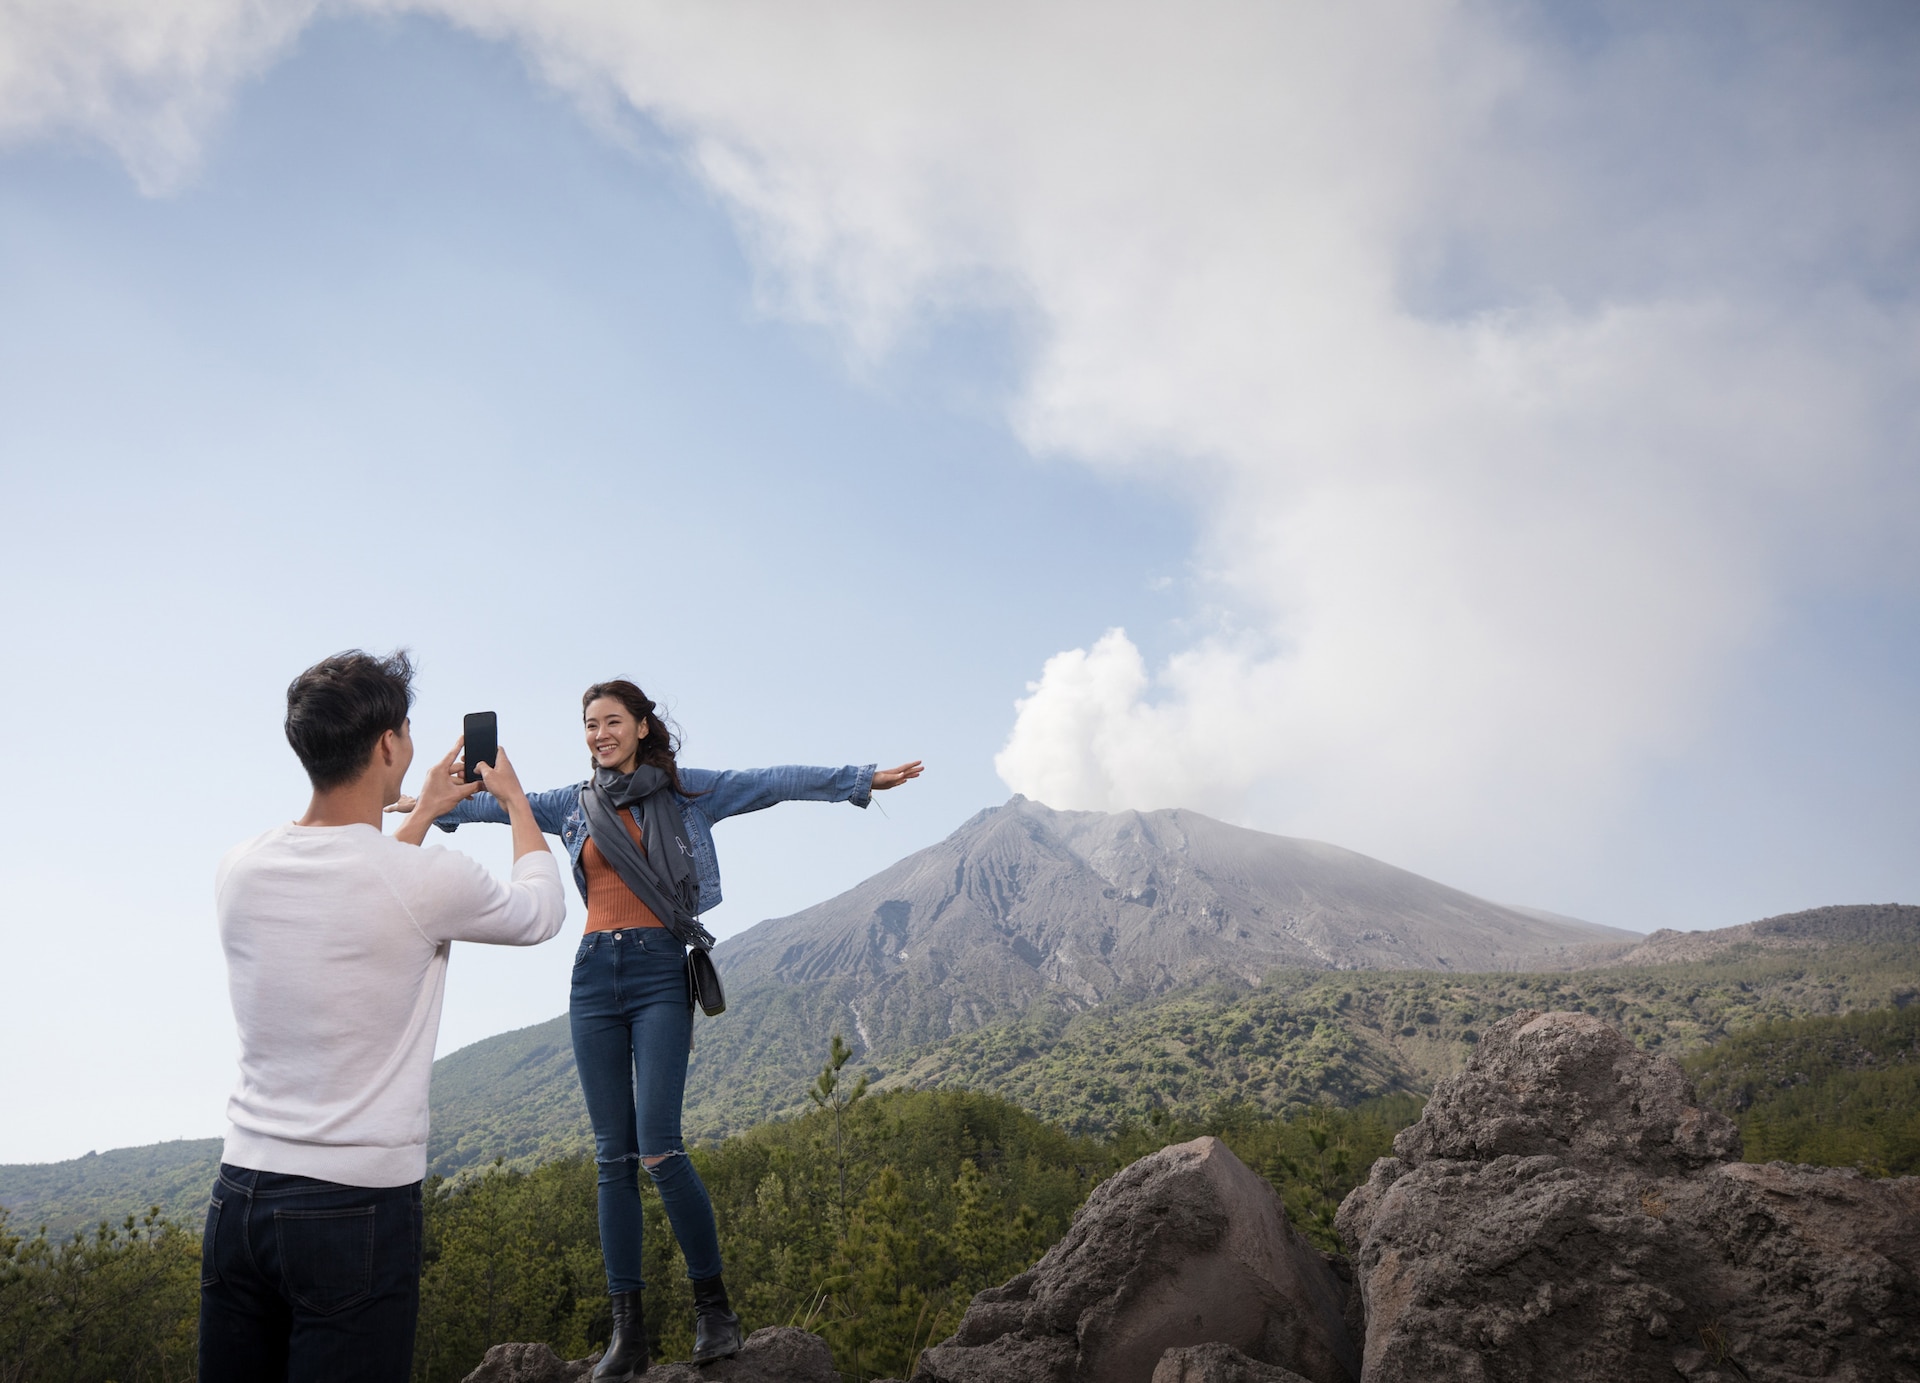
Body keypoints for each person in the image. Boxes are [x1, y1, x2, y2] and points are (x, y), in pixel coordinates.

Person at [393, 678, 921, 1380]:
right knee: (611, 1158)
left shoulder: (685, 790)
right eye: (588, 724)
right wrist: (429, 806)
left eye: (611, 721)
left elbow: (766, 782)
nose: (598, 734)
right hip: (591, 976)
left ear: (642, 726)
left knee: (659, 1148)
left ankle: (715, 1311)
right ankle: (628, 1333)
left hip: (656, 973)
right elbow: (496, 805)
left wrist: (857, 779)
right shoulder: (573, 804)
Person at [201, 651, 567, 1383]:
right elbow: (540, 912)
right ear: (389, 745)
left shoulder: (239, 867)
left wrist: (426, 811)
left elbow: (361, 890)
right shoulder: (425, 880)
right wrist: (519, 806)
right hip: (353, 1207)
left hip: (239, 1195)